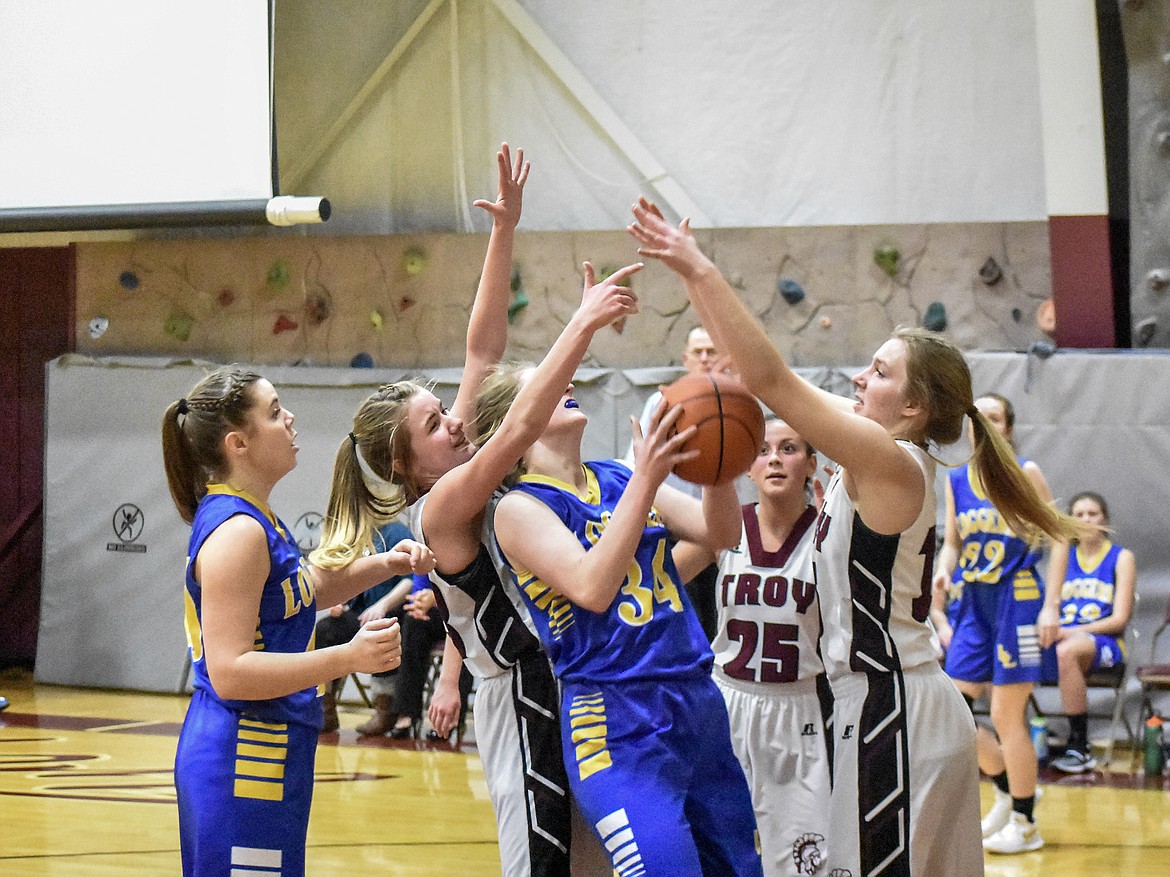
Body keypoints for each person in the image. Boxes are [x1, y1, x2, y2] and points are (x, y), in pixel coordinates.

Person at [629, 197, 1080, 877]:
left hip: (892, 706)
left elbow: (772, 380)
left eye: (878, 371)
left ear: (914, 406)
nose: (860, 378)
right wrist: (700, 289)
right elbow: (774, 381)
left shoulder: (892, 460)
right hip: (886, 705)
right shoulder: (889, 453)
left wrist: (697, 267)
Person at [311, 143, 640, 877]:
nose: (454, 422)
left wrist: (504, 230)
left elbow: (482, 353)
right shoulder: (445, 504)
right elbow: (518, 423)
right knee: (545, 865)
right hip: (520, 696)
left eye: (443, 412)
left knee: (602, 864)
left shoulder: (453, 456)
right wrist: (579, 327)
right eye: (435, 425)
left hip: (569, 677)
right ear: (407, 467)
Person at [485, 364, 763, 876]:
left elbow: (719, 533)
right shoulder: (519, 508)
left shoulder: (617, 474)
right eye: (548, 384)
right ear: (514, 419)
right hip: (614, 715)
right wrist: (649, 477)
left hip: (695, 701)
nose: (567, 384)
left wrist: (720, 467)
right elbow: (592, 587)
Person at [161, 365, 433, 877]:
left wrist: (385, 564)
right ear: (238, 443)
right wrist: (347, 657)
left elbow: (305, 590)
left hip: (268, 747)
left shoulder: (253, 516)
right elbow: (231, 671)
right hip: (241, 753)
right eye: (274, 411)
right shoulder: (238, 531)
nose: (290, 418)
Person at [673, 416, 832, 877]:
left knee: (807, 859)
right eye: (763, 450)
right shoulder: (724, 529)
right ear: (747, 466)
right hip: (726, 706)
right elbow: (656, 586)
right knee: (720, 852)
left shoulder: (829, 535)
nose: (776, 459)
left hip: (800, 709)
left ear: (812, 464)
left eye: (790, 449)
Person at [931, 392, 1067, 854]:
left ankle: (1027, 823)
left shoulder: (1024, 473)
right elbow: (952, 540)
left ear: (1007, 428)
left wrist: (1052, 604)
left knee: (1008, 714)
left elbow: (1060, 536)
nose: (985, 424)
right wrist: (944, 567)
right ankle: (1010, 792)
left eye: (995, 417)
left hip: (1018, 601)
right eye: (978, 417)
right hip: (973, 603)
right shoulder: (956, 478)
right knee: (951, 710)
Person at [625, 325, 722, 641]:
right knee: (679, 625)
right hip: (672, 529)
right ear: (686, 359)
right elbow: (634, 470)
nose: (706, 359)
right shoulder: (663, 401)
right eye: (699, 352)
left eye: (712, 351)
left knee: (716, 628)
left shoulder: (736, 405)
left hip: (722, 532)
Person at [1047, 491, 1136, 773]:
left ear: (1104, 519)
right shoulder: (1063, 556)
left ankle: (1080, 744)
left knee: (1067, 650)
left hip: (1105, 642)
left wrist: (1073, 631)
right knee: (1009, 647)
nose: (1086, 520)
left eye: (1092, 513)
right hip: (1064, 637)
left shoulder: (1121, 557)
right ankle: (1016, 735)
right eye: (1079, 514)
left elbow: (1120, 619)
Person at [315, 517, 414, 735]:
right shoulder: (360, 539)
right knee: (326, 629)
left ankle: (384, 709)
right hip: (362, 611)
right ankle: (325, 707)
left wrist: (383, 605)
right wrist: (340, 602)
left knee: (381, 627)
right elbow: (354, 580)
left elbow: (410, 579)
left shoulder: (396, 532)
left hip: (393, 611)